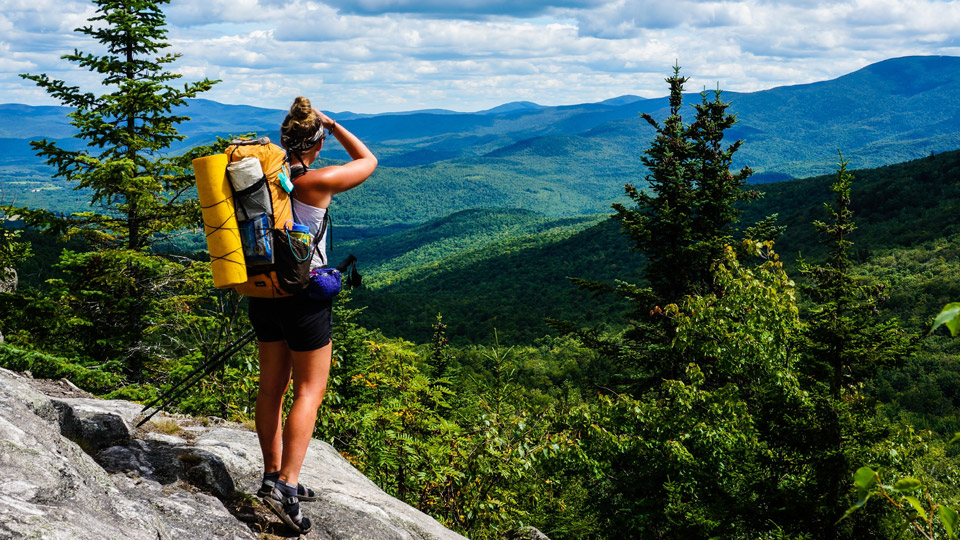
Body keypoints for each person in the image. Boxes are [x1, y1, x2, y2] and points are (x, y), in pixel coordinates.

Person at [250, 96, 377, 534]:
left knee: (272, 388)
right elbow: (368, 160)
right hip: (303, 296)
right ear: (317, 143)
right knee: (309, 390)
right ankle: (287, 486)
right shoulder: (316, 182)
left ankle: (271, 475)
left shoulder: (267, 178)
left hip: (262, 290)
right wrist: (334, 123)